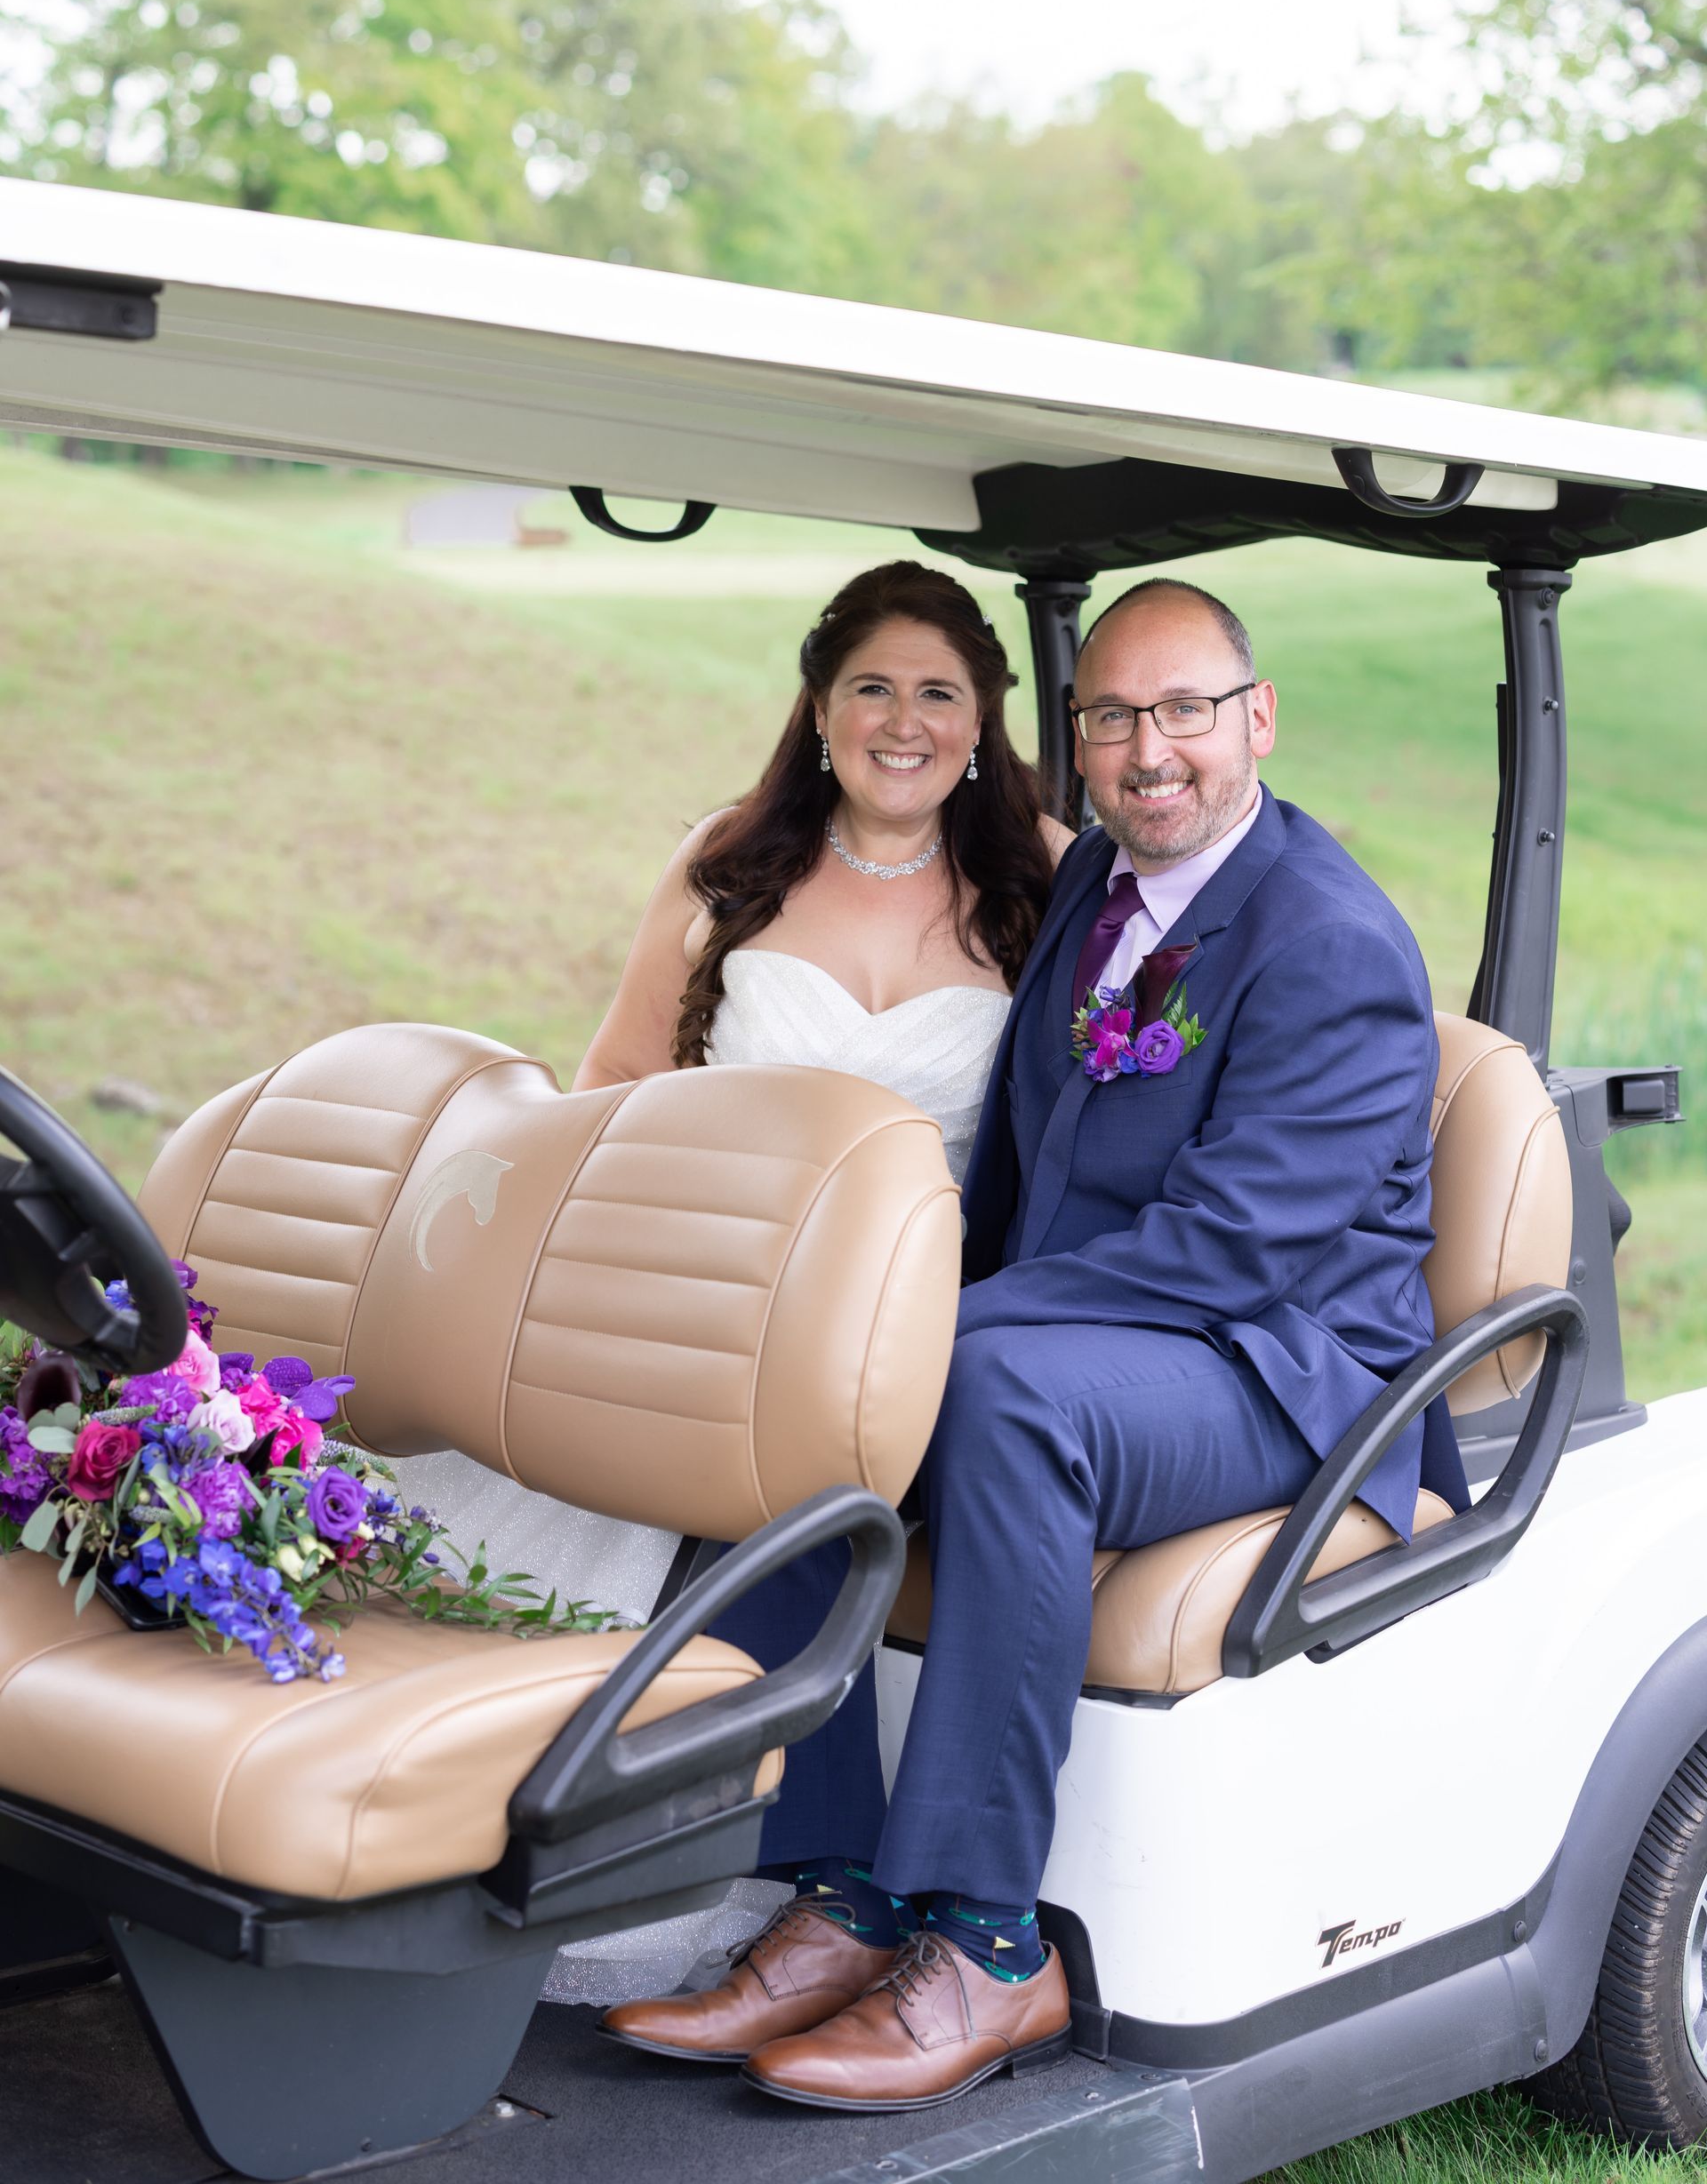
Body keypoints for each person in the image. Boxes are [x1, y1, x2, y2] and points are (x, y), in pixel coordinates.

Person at [603, 574, 1471, 2112]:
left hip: (1289, 1365)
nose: (1153, 749)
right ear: (1075, 742)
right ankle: (847, 1890)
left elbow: (1234, 1246)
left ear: (1256, 717)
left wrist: (929, 1328)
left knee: (988, 1386)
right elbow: (1016, 1159)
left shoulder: (1326, 938)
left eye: (1187, 709)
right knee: (816, 1373)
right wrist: (854, 1328)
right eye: (1115, 717)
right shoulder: (1097, 888)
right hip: (1127, 1340)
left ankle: (995, 1939)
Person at [391, 555, 1063, 1630]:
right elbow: (617, 1078)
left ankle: (738, 1763)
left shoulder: (1047, 878)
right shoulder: (731, 855)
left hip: (913, 1312)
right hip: (696, 1276)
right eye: (871, 688)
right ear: (821, 709)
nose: (904, 721)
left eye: (938, 692)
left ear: (980, 720)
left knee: (796, 1491)